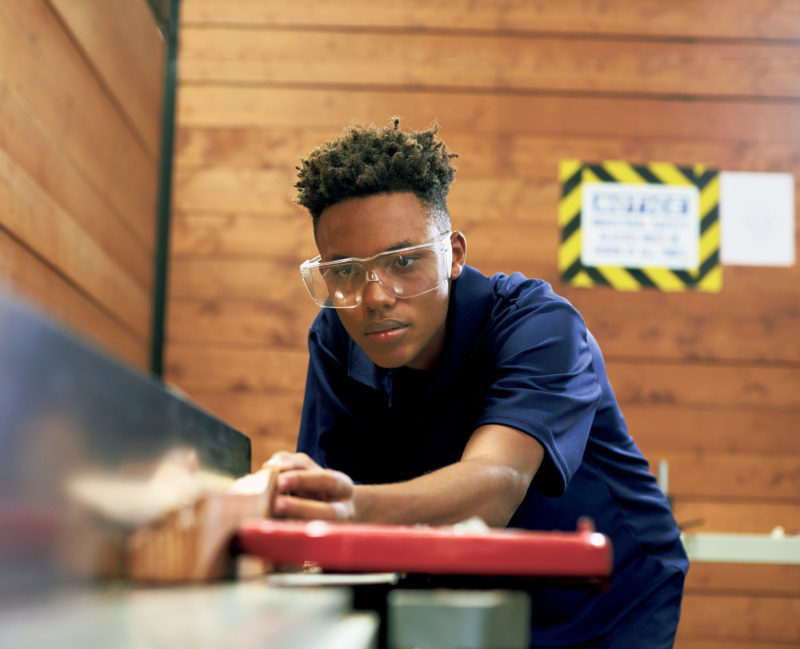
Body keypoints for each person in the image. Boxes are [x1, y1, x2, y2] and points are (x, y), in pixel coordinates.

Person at [263, 119, 688, 649]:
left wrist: (350, 508)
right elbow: (332, 495)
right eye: (346, 271)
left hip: (610, 600)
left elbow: (496, 483)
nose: (375, 296)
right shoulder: (336, 337)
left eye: (403, 261)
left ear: (453, 254)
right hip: (473, 588)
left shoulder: (540, 326)